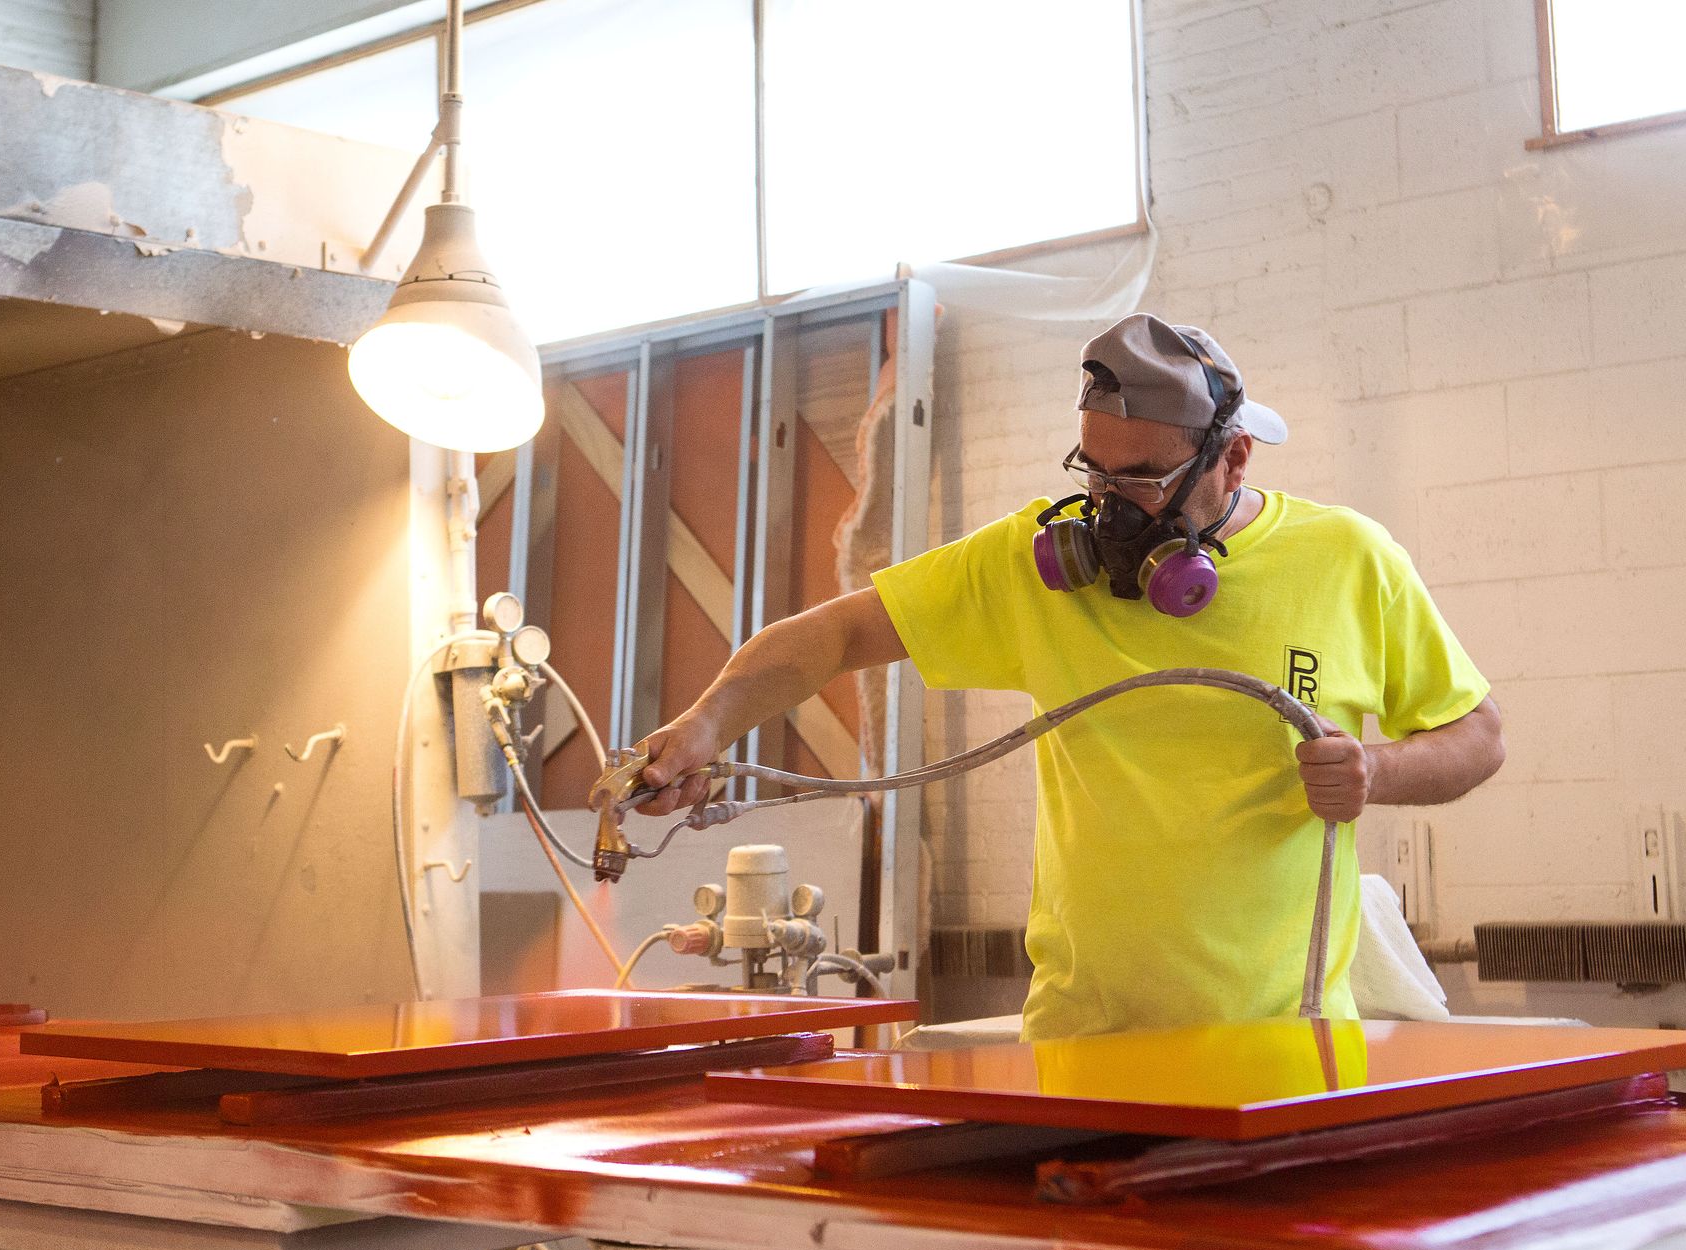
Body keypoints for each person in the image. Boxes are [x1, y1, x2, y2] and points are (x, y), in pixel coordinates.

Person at [633, 313, 1504, 1039]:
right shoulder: (1036, 565)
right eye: (1095, 473)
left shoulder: (1349, 560)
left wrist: (1377, 772)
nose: (1111, 508)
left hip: (1281, 1040)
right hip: (1084, 1043)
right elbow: (832, 636)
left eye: (1145, 480)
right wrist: (706, 727)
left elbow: (1478, 738)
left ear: (1232, 460)